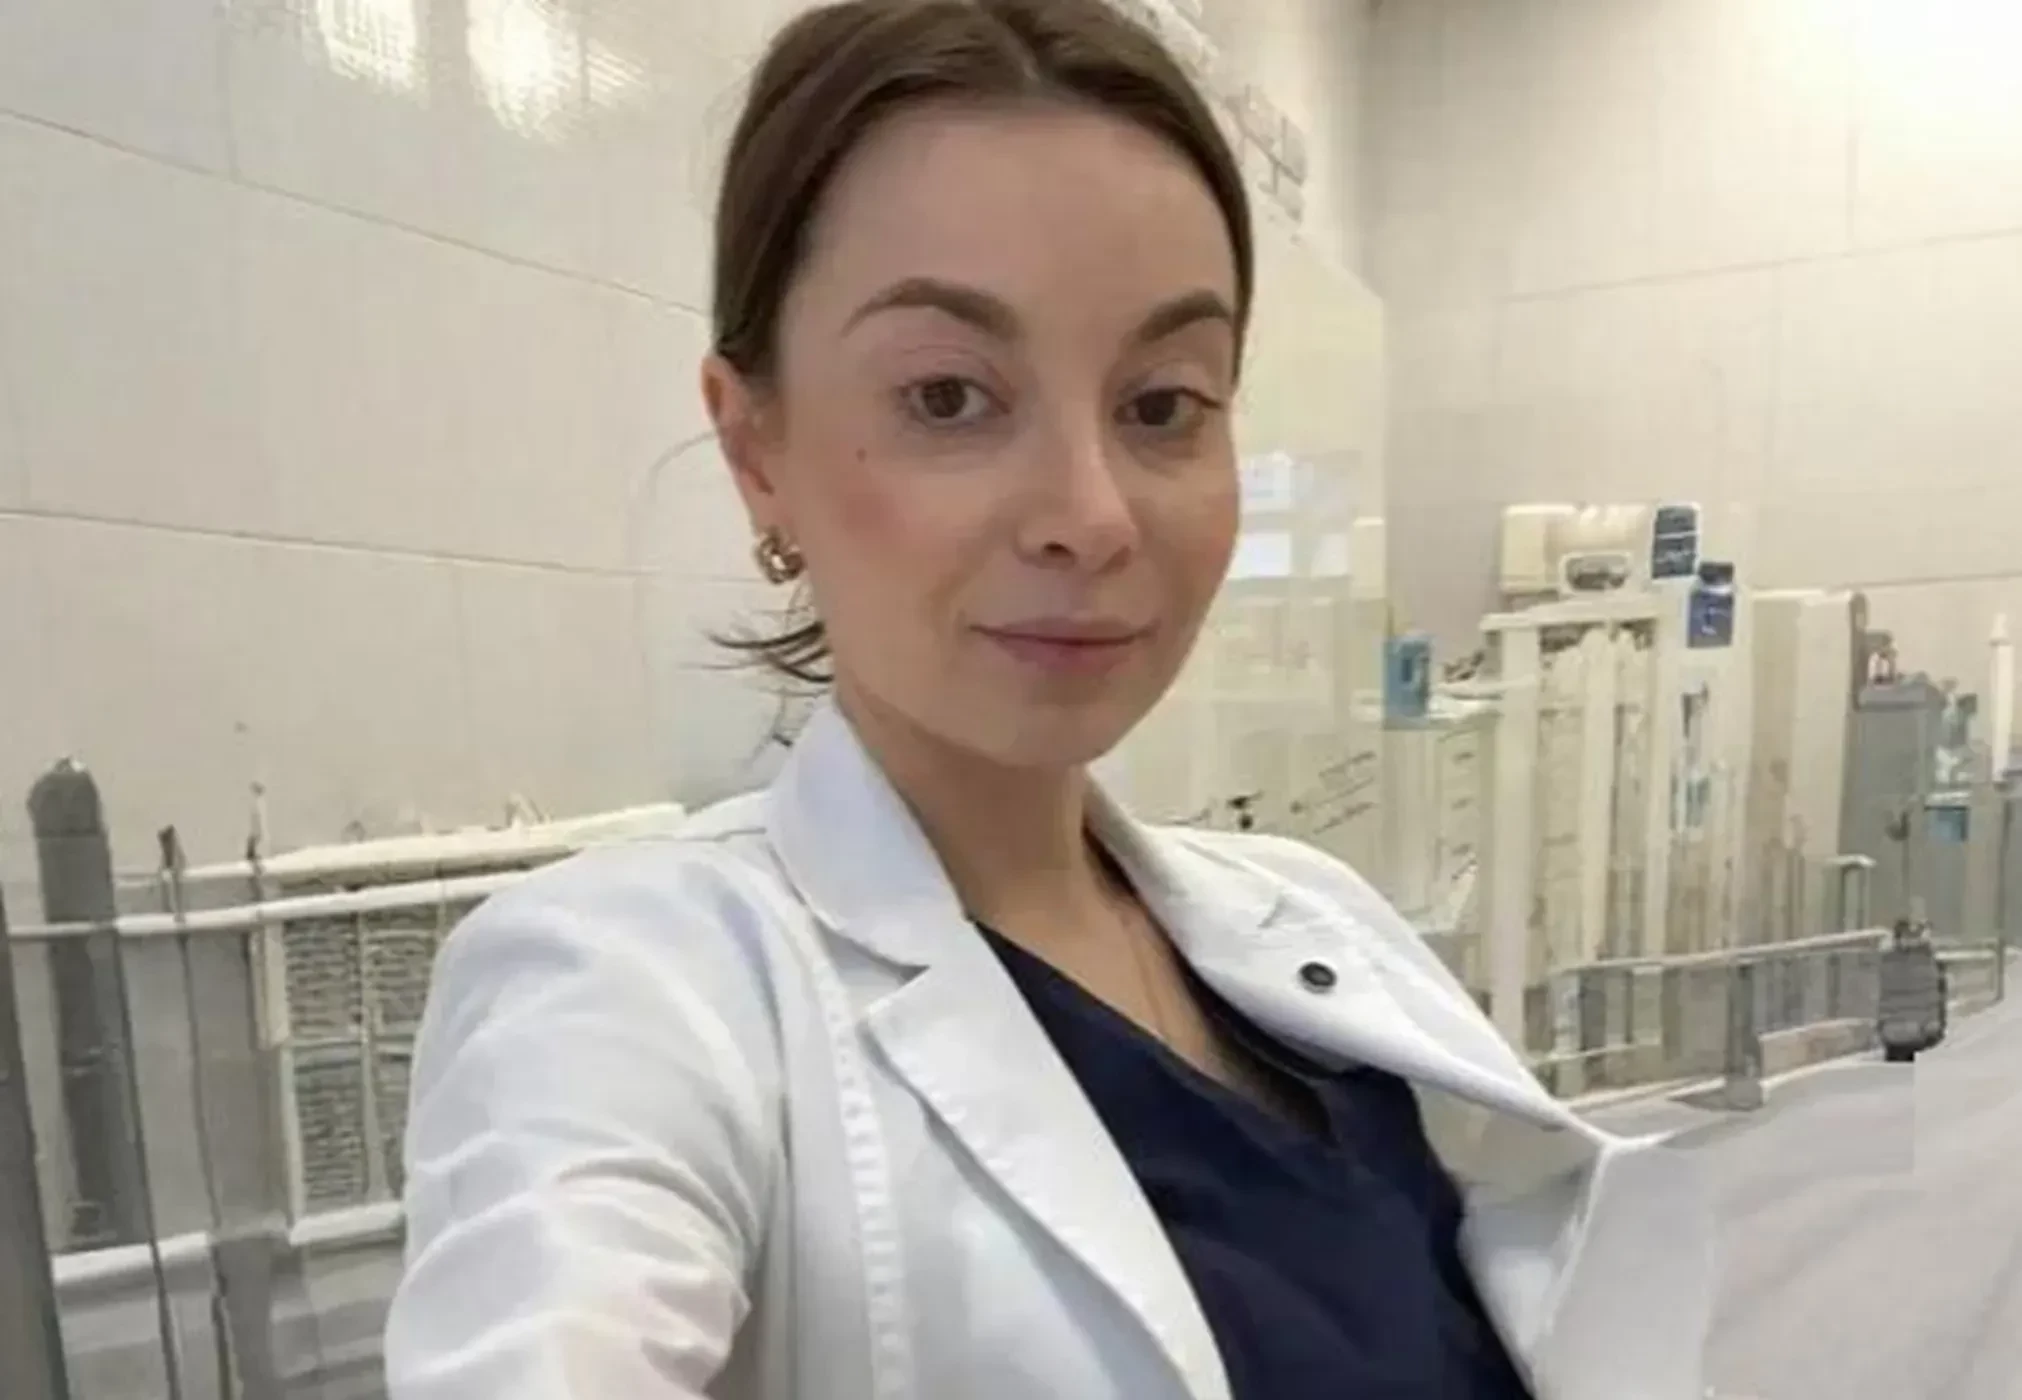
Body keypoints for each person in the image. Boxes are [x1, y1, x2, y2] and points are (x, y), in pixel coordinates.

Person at [383, 2, 1712, 1397]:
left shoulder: (1315, 921)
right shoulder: (637, 984)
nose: (1091, 515)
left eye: (1161, 406)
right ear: (754, 447)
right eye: (949, 398)